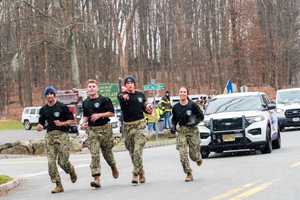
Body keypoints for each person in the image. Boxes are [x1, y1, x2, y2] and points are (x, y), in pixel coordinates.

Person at [37, 86, 77, 193]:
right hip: (50, 135)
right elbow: (41, 122)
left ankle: (71, 170)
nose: (50, 96)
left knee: (62, 162)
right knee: (51, 162)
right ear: (46, 96)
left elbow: (72, 121)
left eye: (51, 94)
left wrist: (62, 123)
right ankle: (58, 185)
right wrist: (39, 126)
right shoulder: (43, 109)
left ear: (54, 95)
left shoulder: (62, 107)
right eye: (47, 94)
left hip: (62, 134)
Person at [81, 79, 119, 188]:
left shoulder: (105, 100)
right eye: (89, 86)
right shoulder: (85, 102)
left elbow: (111, 113)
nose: (91, 88)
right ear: (87, 89)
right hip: (92, 130)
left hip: (105, 129)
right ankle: (96, 179)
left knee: (107, 153)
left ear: (97, 88)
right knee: (94, 154)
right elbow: (86, 116)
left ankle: (113, 166)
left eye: (93, 86)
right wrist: (83, 123)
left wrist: (99, 115)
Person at [117, 76, 152, 185]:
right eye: (128, 83)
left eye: (132, 83)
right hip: (128, 127)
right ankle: (141, 172)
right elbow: (121, 96)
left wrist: (148, 108)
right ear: (125, 85)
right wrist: (124, 95)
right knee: (132, 153)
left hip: (140, 126)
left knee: (137, 151)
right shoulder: (121, 95)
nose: (130, 84)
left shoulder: (140, 95)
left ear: (134, 84)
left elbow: (145, 108)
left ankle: (135, 174)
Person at [171, 87, 204, 182]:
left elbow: (201, 116)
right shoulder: (175, 107)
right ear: (179, 94)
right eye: (181, 92)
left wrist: (195, 122)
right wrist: (173, 126)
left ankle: (198, 158)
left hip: (192, 130)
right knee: (182, 154)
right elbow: (174, 119)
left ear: (187, 94)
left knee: (193, 155)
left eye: (184, 92)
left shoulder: (192, 105)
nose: (182, 93)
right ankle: (188, 173)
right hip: (181, 131)